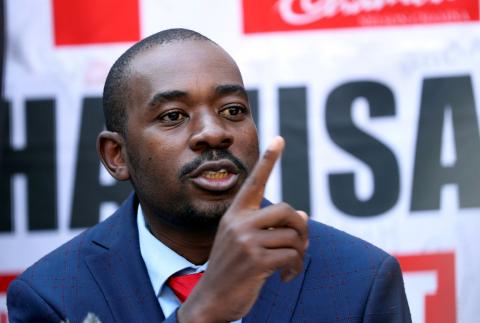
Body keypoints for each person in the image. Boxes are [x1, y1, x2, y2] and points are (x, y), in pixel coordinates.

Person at [7, 28, 411, 323]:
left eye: (233, 110)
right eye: (173, 116)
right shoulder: (54, 296)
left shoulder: (359, 279)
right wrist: (202, 314)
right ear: (117, 155)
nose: (214, 132)